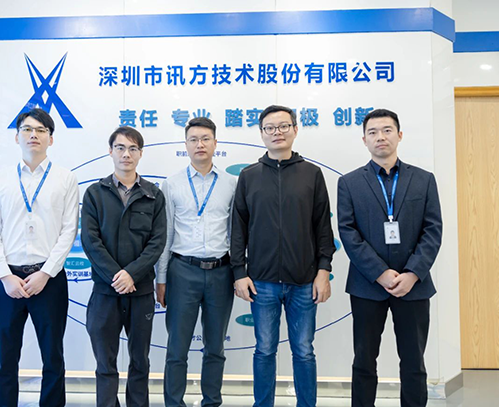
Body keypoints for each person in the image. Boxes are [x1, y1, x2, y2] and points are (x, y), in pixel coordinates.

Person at [231, 105, 335, 407]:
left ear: (295, 129)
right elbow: (238, 229)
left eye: (283, 126)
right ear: (262, 133)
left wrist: (323, 271)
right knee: (264, 350)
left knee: (303, 351)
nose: (277, 132)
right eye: (270, 128)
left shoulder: (311, 174)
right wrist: (239, 273)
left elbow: (322, 227)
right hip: (261, 282)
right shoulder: (249, 176)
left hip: (304, 281)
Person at [337, 109, 442, 407]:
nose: (380, 137)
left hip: (414, 287)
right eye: (372, 132)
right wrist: (380, 273)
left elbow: (433, 230)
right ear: (364, 140)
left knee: (413, 361)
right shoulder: (349, 182)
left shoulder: (423, 180)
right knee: (364, 360)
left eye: (386, 130)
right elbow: (348, 232)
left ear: (399, 135)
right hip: (367, 286)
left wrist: (412, 273)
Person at [0, 108, 79, 407]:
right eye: (27, 129)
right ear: (17, 137)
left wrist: (46, 273)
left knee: (53, 355)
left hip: (48, 281)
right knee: (5, 356)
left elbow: (69, 231)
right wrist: (5, 275)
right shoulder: (1, 179)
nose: (33, 135)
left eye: (41, 130)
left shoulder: (65, 179)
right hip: (8, 280)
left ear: (51, 138)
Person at [81, 126, 167, 407]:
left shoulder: (153, 195)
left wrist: (132, 274)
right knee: (105, 362)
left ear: (140, 154)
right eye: (120, 148)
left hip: (140, 292)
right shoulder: (95, 193)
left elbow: (157, 242)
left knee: (140, 360)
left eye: (132, 149)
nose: (126, 154)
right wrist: (117, 276)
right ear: (111, 151)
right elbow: (90, 240)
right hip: (105, 292)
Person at [156, 117, 236, 407]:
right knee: (177, 348)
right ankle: (173, 403)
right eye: (193, 139)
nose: (199, 144)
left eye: (205, 139)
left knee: (215, 348)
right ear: (186, 145)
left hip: (221, 272)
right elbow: (166, 233)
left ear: (215, 143)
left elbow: (235, 234)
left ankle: (211, 402)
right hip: (182, 271)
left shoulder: (231, 184)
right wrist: (161, 278)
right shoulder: (171, 184)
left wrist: (239, 272)